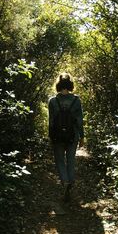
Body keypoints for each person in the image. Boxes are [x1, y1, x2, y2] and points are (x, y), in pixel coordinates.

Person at [48, 73, 84, 202]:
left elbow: (51, 121)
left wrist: (50, 136)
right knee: (71, 160)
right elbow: (80, 120)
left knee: (59, 160)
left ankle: (65, 181)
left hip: (57, 136)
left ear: (58, 85)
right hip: (72, 135)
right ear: (70, 85)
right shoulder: (76, 100)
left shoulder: (52, 101)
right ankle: (70, 182)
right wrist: (82, 136)